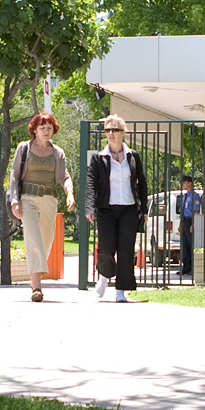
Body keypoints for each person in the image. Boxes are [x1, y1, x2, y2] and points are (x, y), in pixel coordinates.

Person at [6, 111, 74, 303]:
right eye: (42, 128)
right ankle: (36, 286)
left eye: (49, 128)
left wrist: (70, 192)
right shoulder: (24, 148)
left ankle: (35, 275)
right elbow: (15, 175)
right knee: (33, 239)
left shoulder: (57, 152)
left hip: (49, 199)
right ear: (34, 130)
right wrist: (15, 200)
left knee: (45, 241)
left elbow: (64, 176)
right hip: (28, 199)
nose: (46, 131)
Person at [87, 114, 147, 302]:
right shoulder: (99, 158)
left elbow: (142, 183)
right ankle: (104, 277)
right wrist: (89, 207)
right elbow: (91, 183)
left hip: (129, 209)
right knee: (106, 249)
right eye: (107, 130)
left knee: (126, 250)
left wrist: (144, 209)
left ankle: (121, 290)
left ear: (123, 132)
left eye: (115, 129)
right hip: (106, 210)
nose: (111, 133)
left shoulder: (132, 156)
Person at [176, 174, 203, 279]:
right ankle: (186, 267)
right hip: (184, 220)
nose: (183, 184)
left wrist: (193, 224)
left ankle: (192, 267)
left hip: (190, 220)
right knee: (185, 245)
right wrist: (180, 224)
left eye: (184, 182)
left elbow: (196, 210)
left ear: (190, 183)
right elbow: (182, 211)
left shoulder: (194, 196)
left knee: (191, 244)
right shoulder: (185, 196)